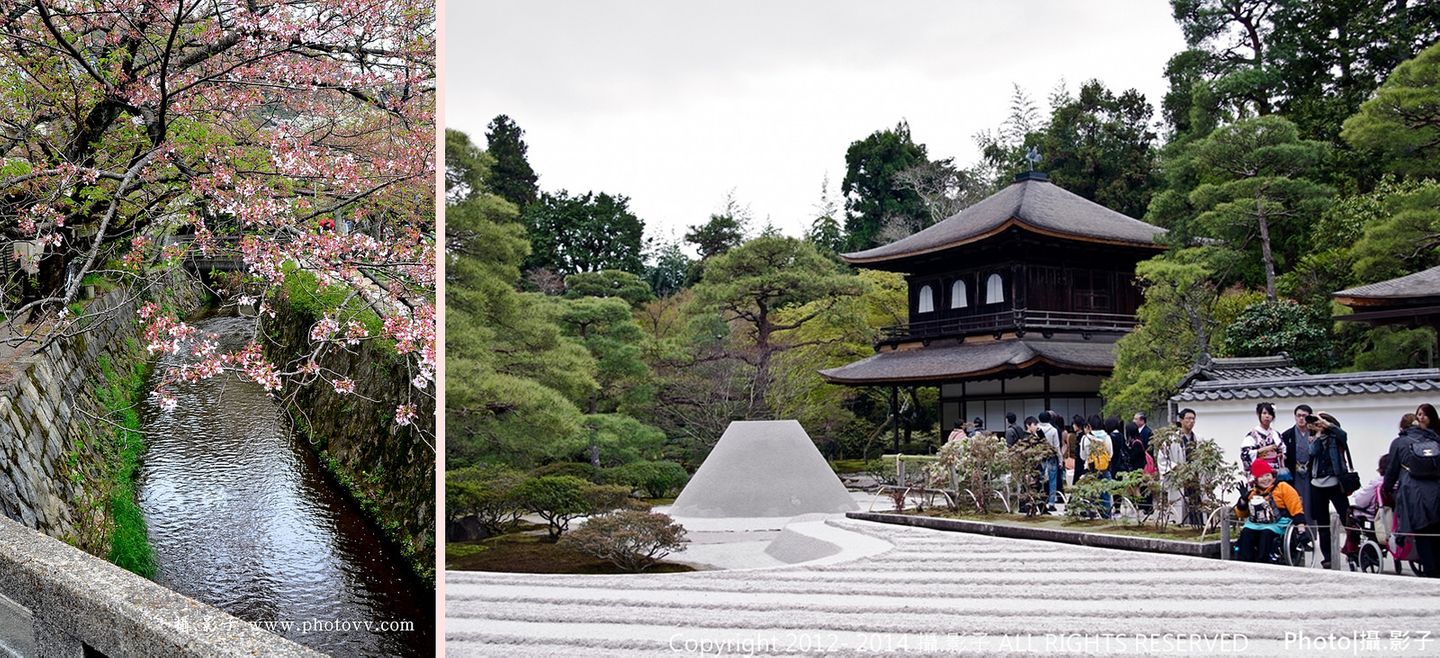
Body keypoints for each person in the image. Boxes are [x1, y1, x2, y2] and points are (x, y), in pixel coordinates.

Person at [1383, 403, 1440, 577]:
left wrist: (1386, 489)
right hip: (1436, 489)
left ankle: (1430, 572)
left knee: (1422, 532)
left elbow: (1391, 470)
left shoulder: (1399, 442)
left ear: (1402, 427)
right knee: (1436, 531)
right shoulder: (1435, 439)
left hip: (1413, 491)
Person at [1234, 459, 1308, 563]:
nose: (1265, 479)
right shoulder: (1253, 492)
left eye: (1267, 475)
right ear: (1256, 479)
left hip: (1278, 522)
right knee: (1246, 533)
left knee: (1266, 533)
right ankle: (1245, 561)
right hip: (1256, 523)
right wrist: (1243, 501)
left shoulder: (1283, 487)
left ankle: (1264, 561)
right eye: (1261, 476)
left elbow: (1296, 508)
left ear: (1272, 475)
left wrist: (1301, 530)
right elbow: (1242, 514)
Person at [1305, 412, 1353, 569]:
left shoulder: (1335, 437)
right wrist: (1318, 434)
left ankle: (1353, 548)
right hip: (1317, 485)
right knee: (1322, 523)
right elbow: (1313, 452)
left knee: (1347, 517)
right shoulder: (1313, 437)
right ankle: (1328, 557)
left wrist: (1327, 425)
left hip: (1335, 483)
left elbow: (1343, 435)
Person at [1280, 403, 1315, 516]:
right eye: (1298, 415)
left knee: (1311, 504)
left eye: (1304, 416)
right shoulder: (1287, 435)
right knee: (1294, 501)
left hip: (1311, 473)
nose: (1301, 418)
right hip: (1294, 473)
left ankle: (1311, 532)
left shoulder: (1315, 433)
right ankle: (1296, 532)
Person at [1241, 402, 1287, 483]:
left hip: (1274, 472)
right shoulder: (1253, 435)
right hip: (1260, 473)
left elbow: (1283, 451)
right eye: (1264, 413)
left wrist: (1281, 455)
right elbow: (1245, 454)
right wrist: (1262, 450)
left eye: (1270, 414)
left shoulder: (1276, 434)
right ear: (1259, 415)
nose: (1267, 416)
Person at [1081, 414, 1115, 519]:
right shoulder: (1107, 437)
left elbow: (1083, 456)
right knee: (1106, 496)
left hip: (1091, 470)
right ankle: (1106, 517)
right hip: (1105, 469)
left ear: (1089, 425)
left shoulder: (1086, 438)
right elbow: (1110, 454)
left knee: (1090, 495)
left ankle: (1092, 516)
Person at [1175, 408, 1202, 526]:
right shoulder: (1172, 439)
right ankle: (1182, 524)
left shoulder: (1198, 439)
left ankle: (1197, 523)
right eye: (1188, 418)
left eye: (1193, 419)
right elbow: (1163, 459)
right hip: (1180, 475)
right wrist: (1176, 468)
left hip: (1195, 476)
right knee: (1181, 502)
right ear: (1181, 420)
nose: (1191, 421)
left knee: (1196, 500)